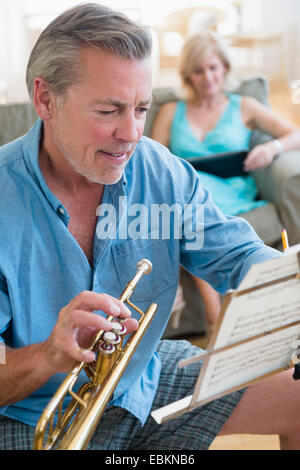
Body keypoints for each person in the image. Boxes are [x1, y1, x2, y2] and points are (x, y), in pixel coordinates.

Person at [0, 3, 299, 451]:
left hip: (142, 380)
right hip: (32, 412)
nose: (132, 133)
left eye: (141, 108)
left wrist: (288, 289)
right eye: (109, 111)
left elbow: (238, 255)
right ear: (45, 99)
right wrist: (47, 356)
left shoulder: (161, 170)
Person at [151, 30, 300, 330]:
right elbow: (152, 161)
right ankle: (215, 314)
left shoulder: (244, 106)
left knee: (192, 220)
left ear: (225, 68)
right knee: (187, 210)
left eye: (213, 67)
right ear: (188, 75)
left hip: (231, 193)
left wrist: (271, 148)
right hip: (190, 194)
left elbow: (295, 133)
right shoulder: (170, 111)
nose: (207, 77)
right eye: (198, 70)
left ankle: (214, 317)